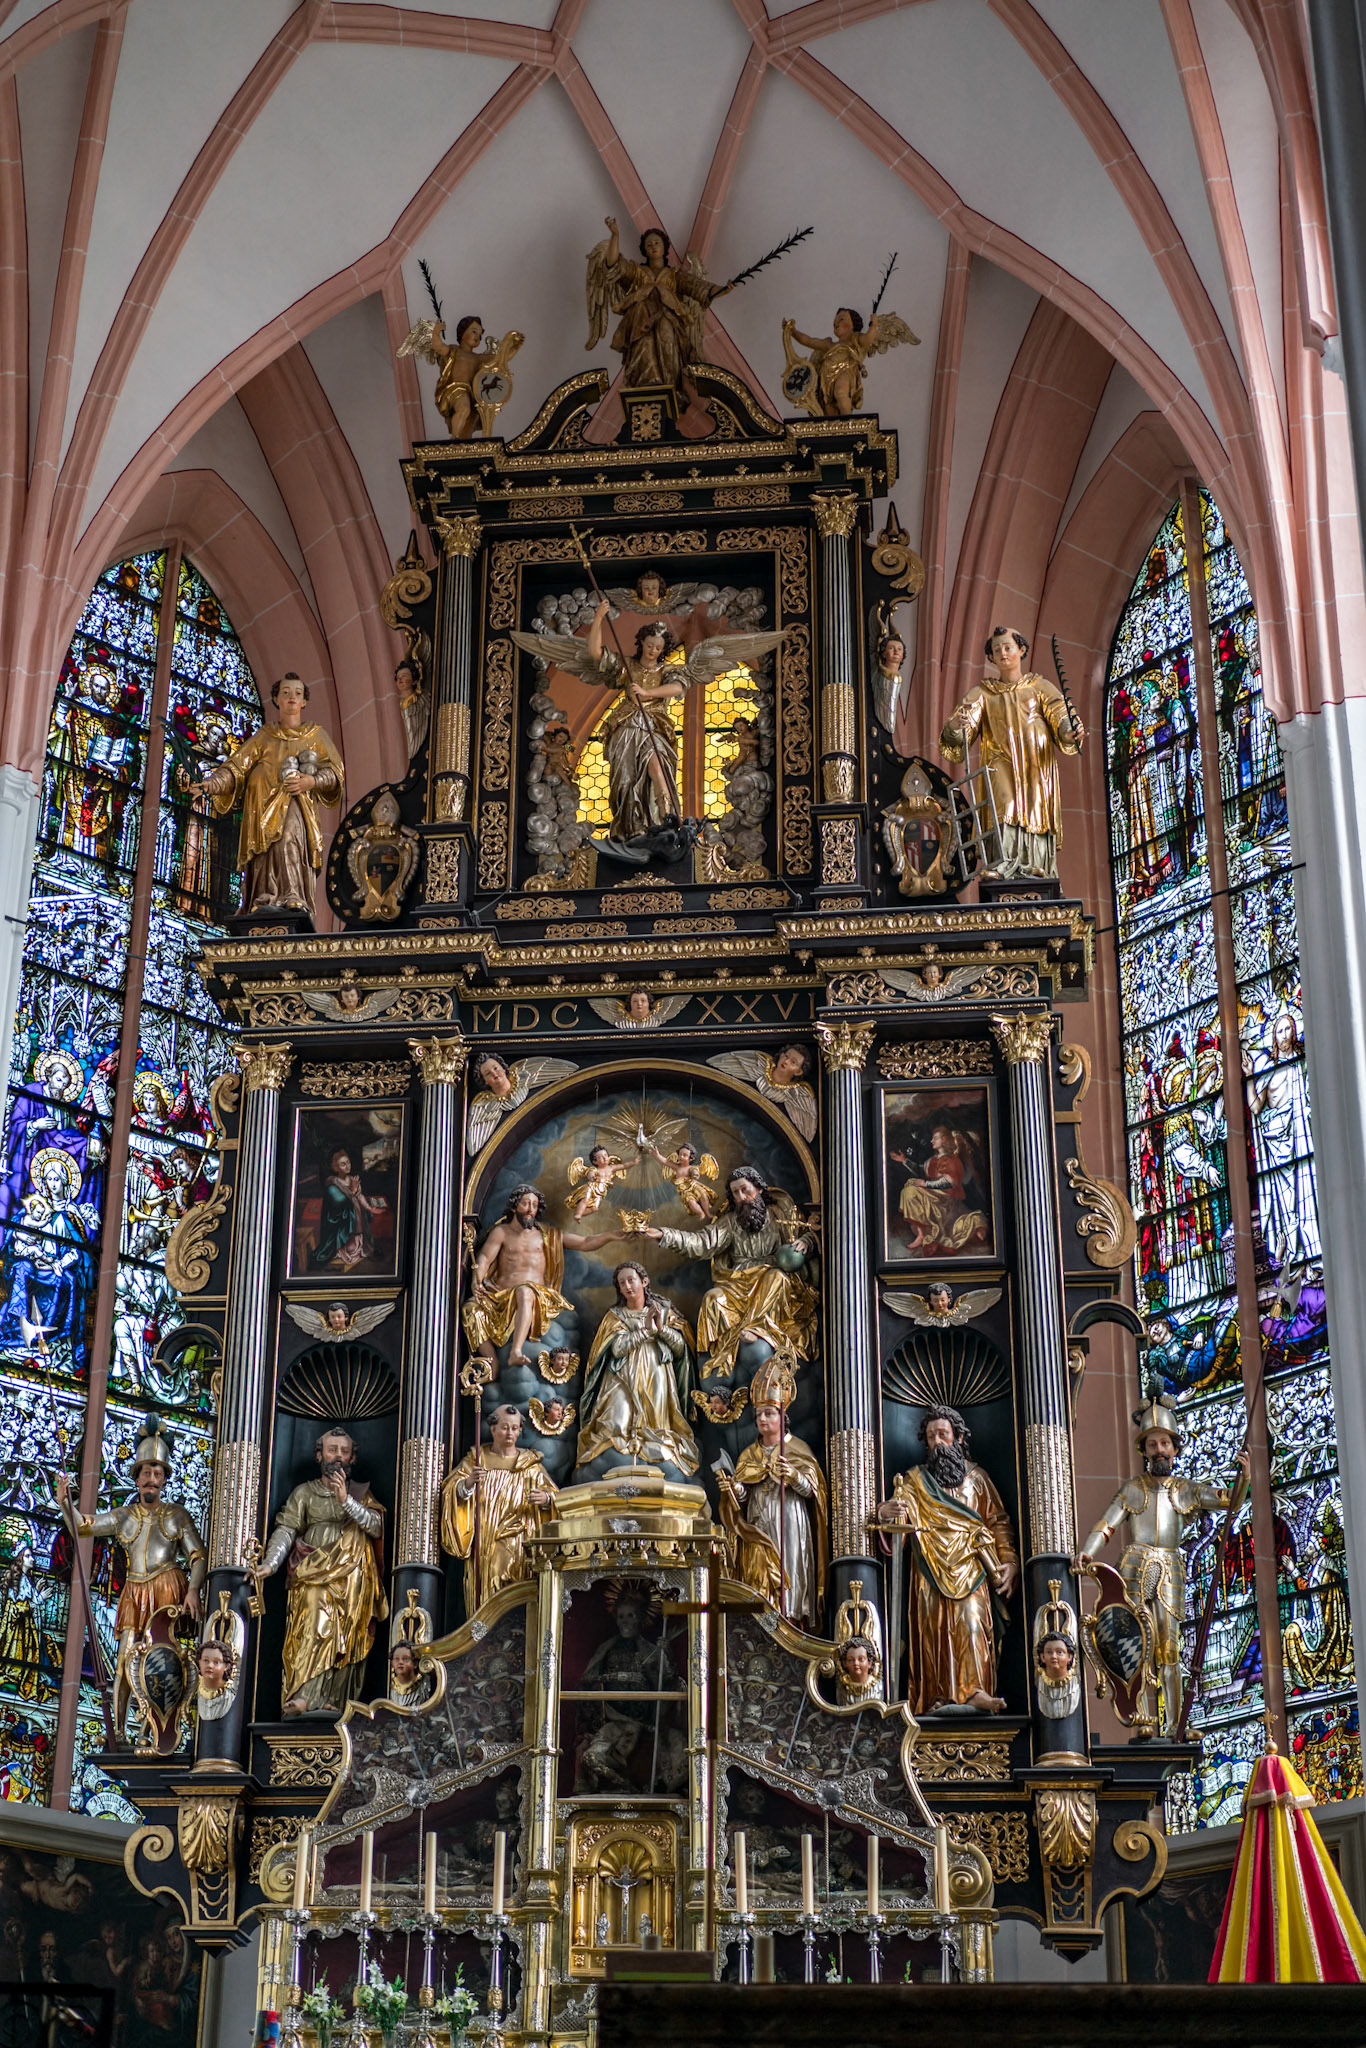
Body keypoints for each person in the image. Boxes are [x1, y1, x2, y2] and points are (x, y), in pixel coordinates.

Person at [1078, 1396, 1248, 1732]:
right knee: (1136, 1644)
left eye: (1165, 1443)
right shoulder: (1133, 1489)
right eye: (1153, 1444)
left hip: (1170, 1568)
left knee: (1170, 1649)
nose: (1159, 1450)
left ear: (1175, 1448)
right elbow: (1106, 1525)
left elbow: (1229, 1502)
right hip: (1135, 1564)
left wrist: (1245, 1477)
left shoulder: (1186, 1490)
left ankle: (1174, 1725)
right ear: (1144, 1450)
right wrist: (1087, 1551)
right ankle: (1141, 1717)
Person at [56, 1418, 206, 1735]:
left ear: (165, 1479)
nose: (152, 1479)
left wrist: (193, 1590)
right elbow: (84, 1526)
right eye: (146, 1473)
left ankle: (154, 1730)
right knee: (125, 1661)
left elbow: (198, 1556)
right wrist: (65, 1504)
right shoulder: (125, 1516)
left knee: (162, 1660)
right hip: (134, 1592)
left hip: (168, 1588)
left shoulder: (177, 1515)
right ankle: (120, 1731)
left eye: (158, 1474)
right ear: (136, 1478)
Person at [877, 1404, 1018, 1713]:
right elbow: (899, 1518)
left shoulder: (978, 1479)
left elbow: (998, 1522)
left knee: (972, 1625)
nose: (937, 1442)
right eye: (931, 1437)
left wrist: (1009, 1561)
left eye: (943, 1434)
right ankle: (935, 1697)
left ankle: (976, 1691)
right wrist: (885, 1513)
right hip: (929, 1567)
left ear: (958, 1437)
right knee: (933, 1632)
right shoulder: (914, 1481)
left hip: (972, 1567)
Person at [639, 1166, 817, 1379]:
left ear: (759, 1188)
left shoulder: (780, 1214)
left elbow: (806, 1233)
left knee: (776, 1277)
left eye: (745, 1189)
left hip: (770, 1279)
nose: (741, 1197)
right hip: (738, 1282)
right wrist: (663, 1235)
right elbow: (702, 1243)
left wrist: (806, 1241)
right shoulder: (731, 1222)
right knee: (712, 1298)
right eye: (735, 1193)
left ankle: (757, 1328)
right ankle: (711, 1358)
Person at [257, 1425, 387, 1718]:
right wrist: (271, 1562)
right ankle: (304, 1695)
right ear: (319, 1455)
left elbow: (376, 1527)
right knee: (314, 1624)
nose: (338, 1456)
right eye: (332, 1450)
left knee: (347, 1636)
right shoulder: (305, 1492)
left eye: (344, 1451)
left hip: (352, 1578)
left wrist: (346, 1501)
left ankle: (337, 1700)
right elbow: (287, 1529)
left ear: (352, 1457)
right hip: (311, 1571)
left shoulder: (360, 1493)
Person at [190, 673, 343, 915]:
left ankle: (293, 893)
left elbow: (335, 773)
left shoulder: (316, 736)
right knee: (262, 851)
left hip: (295, 802)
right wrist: (211, 784)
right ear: (276, 700)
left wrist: (311, 781)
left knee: (289, 838)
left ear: (304, 701)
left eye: (297, 693)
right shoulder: (264, 736)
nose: (291, 697)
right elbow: (236, 768)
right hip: (260, 808)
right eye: (285, 692)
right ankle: (263, 896)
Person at [939, 626, 1083, 881]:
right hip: (1000, 763)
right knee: (1003, 806)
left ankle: (1037, 865)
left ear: (1021, 650)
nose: (1003, 653)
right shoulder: (983, 693)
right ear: (991, 658)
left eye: (1008, 647)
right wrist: (954, 728)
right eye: (997, 650)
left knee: (1036, 809)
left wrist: (1068, 731)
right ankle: (1004, 865)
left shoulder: (1040, 686)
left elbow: (1060, 714)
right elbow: (962, 732)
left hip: (1035, 764)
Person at [717, 1368, 828, 1628]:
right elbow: (743, 1498)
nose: (762, 1419)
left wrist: (794, 1477)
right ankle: (760, 1624)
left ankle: (792, 1622)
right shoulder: (748, 1455)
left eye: (768, 1413)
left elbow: (814, 1493)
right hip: (757, 1525)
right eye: (758, 1415)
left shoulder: (798, 1449)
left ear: (782, 1416)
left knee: (790, 1572)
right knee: (758, 1572)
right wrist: (735, 1490)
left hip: (790, 1522)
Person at [463, 1185, 618, 1370]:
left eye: (535, 1205)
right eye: (525, 1204)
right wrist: (476, 1281)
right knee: (470, 1309)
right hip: (500, 1297)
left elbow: (585, 1243)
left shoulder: (546, 1235)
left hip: (535, 1296)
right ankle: (492, 1364)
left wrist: (612, 1235)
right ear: (514, 1206)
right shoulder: (501, 1232)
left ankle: (515, 1351)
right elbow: (484, 1259)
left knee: (525, 1292)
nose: (530, 1210)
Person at [585, 218, 732, 399]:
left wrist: (722, 289)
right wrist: (615, 236)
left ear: (664, 247)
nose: (653, 247)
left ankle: (669, 387)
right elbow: (613, 265)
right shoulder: (637, 272)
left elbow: (699, 287)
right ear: (644, 250)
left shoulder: (675, 276)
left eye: (657, 243)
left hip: (667, 321)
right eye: (649, 245)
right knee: (644, 346)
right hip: (640, 322)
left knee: (666, 336)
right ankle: (643, 385)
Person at [576, 1264, 698, 1480]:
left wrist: (661, 1329)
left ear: (644, 1281)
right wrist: (646, 1331)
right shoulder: (615, 1317)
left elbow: (680, 1350)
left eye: (631, 1280)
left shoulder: (664, 1313)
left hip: (656, 1372)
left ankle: (654, 1458)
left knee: (656, 1426)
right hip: (621, 1377)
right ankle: (616, 1463)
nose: (627, 1286)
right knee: (615, 1423)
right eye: (621, 1283)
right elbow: (616, 1349)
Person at [441, 1404, 556, 1612]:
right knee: (489, 1585)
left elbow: (558, 1499)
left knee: (517, 1588)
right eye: (504, 1427)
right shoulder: (477, 1460)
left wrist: (546, 1498)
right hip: (487, 1540)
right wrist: (468, 1484)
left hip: (520, 1539)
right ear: (493, 1429)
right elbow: (450, 1490)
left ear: (520, 1431)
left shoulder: (531, 1465)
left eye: (514, 1428)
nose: (510, 1432)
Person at [1243, 1011, 1321, 1268]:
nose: (1284, 1035)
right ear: (1274, 1037)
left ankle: (1316, 1250)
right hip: (1279, 1140)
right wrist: (1249, 1077)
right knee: (1289, 1202)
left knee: (1311, 1188)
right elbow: (1256, 1107)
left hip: (1306, 1134)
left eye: (1288, 1029)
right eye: (1279, 1030)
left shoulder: (1304, 1063)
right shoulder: (1269, 1070)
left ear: (1294, 1032)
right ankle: (1295, 1255)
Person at [891, 1124, 990, 1255]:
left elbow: (948, 1182)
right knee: (910, 1186)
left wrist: (926, 1184)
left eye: (935, 1138)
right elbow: (921, 1171)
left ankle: (924, 1234)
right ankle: (921, 1234)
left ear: (944, 1139)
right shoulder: (932, 1160)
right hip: (934, 1195)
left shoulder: (952, 1159)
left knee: (910, 1190)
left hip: (946, 1199)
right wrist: (905, 1161)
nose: (932, 1141)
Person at [307, 1147, 388, 1272]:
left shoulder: (352, 1179)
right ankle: (343, 1252)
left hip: (356, 1216)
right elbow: (340, 1202)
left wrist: (370, 1208)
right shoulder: (332, 1184)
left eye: (348, 1162)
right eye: (343, 1164)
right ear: (336, 1168)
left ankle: (359, 1249)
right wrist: (353, 1191)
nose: (347, 1166)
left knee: (360, 1239)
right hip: (343, 1223)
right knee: (349, 1246)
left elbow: (360, 1196)